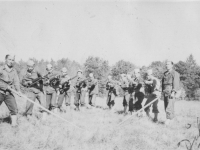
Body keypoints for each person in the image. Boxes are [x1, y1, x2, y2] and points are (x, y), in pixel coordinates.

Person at [0, 54, 22, 127]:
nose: (11, 61)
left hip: (9, 93)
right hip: (0, 92)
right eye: (9, 59)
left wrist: (18, 91)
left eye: (13, 60)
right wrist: (6, 86)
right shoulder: (1, 69)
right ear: (5, 59)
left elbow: (16, 81)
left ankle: (14, 125)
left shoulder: (14, 71)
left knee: (14, 108)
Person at [162, 61, 180, 125]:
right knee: (166, 105)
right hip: (165, 91)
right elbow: (163, 83)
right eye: (166, 64)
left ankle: (168, 119)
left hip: (171, 91)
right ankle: (171, 120)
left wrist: (173, 92)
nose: (167, 65)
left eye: (168, 64)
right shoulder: (165, 73)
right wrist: (162, 91)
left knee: (169, 106)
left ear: (172, 65)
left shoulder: (175, 73)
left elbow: (176, 83)